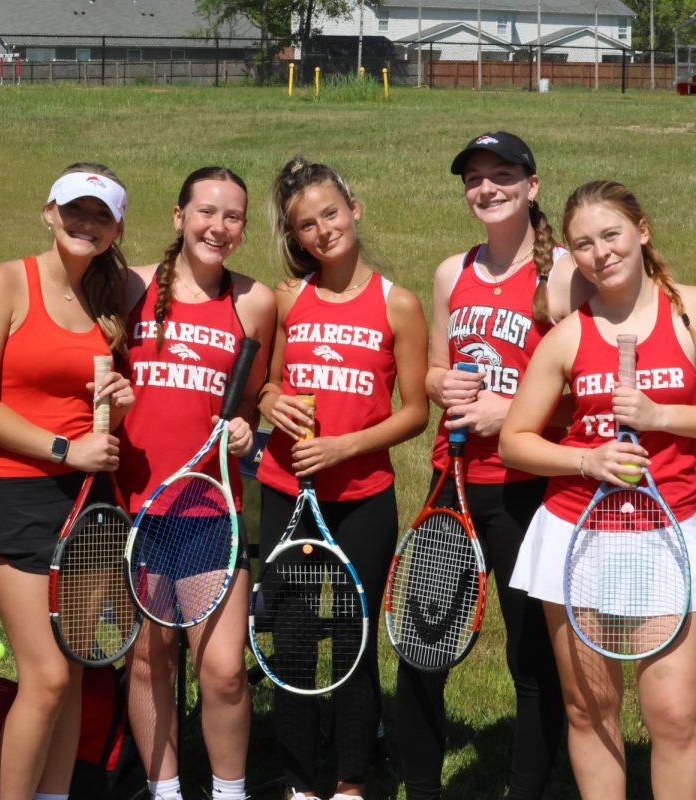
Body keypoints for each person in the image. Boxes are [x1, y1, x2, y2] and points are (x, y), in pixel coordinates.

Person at [500, 180, 696, 799]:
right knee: (590, 712)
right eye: (583, 244)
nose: (601, 253)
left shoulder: (693, 310)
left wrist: (659, 415)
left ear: (642, 231)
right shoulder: (569, 336)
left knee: (673, 715)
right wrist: (586, 460)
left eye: (612, 235)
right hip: (575, 535)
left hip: (668, 534)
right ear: (571, 254)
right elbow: (515, 440)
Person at [395, 131, 593, 799]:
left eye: (502, 174)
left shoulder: (564, 274)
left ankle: (527, 789)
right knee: (423, 643)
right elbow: (436, 372)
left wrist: (509, 413)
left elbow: (590, 398)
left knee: (530, 658)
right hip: (450, 480)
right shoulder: (455, 271)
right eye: (475, 177)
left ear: (532, 186)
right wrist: (435, 384)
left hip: (528, 489)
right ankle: (419, 787)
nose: (487, 188)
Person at [257, 157, 430, 800]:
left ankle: (352, 780)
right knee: (295, 642)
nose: (323, 230)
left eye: (331, 213)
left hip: (362, 499)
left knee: (355, 644)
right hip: (286, 492)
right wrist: (270, 400)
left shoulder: (399, 304)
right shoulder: (287, 299)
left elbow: (415, 410)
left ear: (353, 209)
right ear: (296, 237)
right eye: (307, 224)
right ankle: (302, 783)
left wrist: (347, 446)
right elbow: (265, 384)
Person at [0, 163, 135, 800]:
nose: (84, 224)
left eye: (100, 215)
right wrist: (66, 449)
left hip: (91, 499)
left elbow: (103, 403)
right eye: (74, 210)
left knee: (72, 669)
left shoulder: (108, 295)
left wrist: (119, 404)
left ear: (117, 227)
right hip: (19, 492)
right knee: (46, 676)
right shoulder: (8, 281)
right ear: (48, 212)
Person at [117, 167, 276, 800]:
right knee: (150, 659)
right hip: (138, 507)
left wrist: (244, 429)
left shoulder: (253, 300)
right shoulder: (129, 286)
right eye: (206, 212)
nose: (218, 226)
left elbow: (256, 395)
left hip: (214, 511)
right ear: (179, 216)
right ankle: (165, 790)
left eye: (232, 216)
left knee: (223, 670)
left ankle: (229, 792)